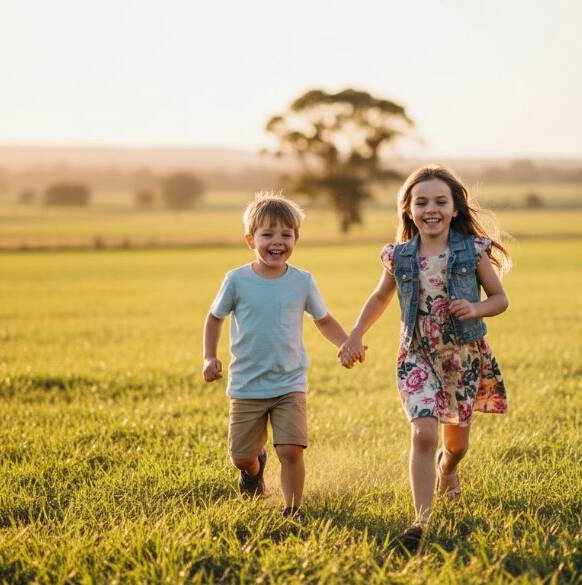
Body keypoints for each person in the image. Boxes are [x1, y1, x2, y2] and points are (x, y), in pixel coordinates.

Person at [339, 164, 510, 552]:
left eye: (439, 201)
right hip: (417, 354)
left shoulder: (472, 250)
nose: (430, 208)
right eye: (421, 202)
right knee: (424, 433)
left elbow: (500, 299)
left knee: (457, 445)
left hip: (462, 357)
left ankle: (447, 470)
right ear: (408, 210)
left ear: (454, 209)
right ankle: (422, 520)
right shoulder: (398, 257)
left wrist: (475, 307)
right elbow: (380, 297)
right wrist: (355, 335)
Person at [203, 192, 349, 519]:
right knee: (241, 456)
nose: (277, 241)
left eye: (286, 234)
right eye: (267, 234)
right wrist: (209, 357)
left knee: (291, 450)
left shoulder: (302, 281)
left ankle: (292, 510)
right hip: (246, 386)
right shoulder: (237, 280)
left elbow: (323, 320)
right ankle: (254, 470)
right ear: (250, 240)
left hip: (289, 383)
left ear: (296, 238)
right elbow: (215, 317)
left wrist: (346, 342)